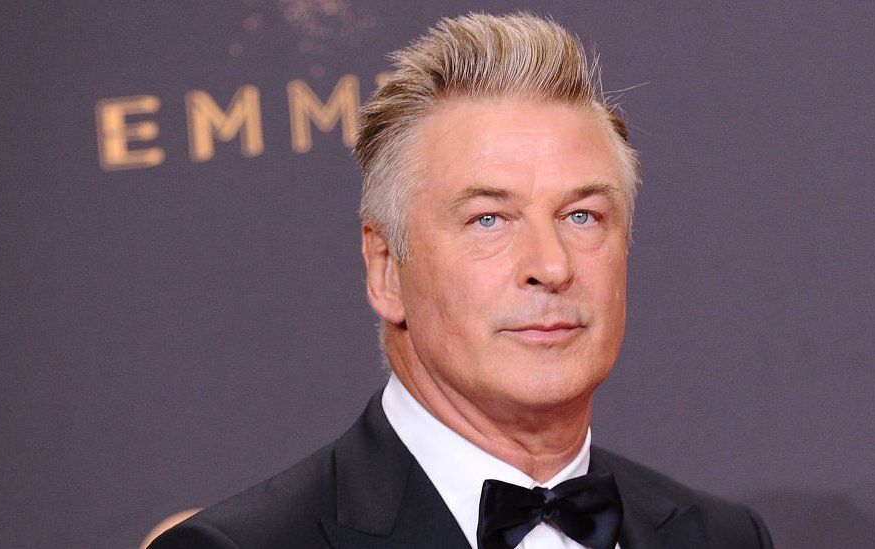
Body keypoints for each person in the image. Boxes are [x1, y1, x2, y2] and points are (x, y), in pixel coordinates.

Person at [149, 12, 774, 549]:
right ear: (387, 269)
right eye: (488, 219)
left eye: (581, 215)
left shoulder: (719, 536)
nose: (551, 267)